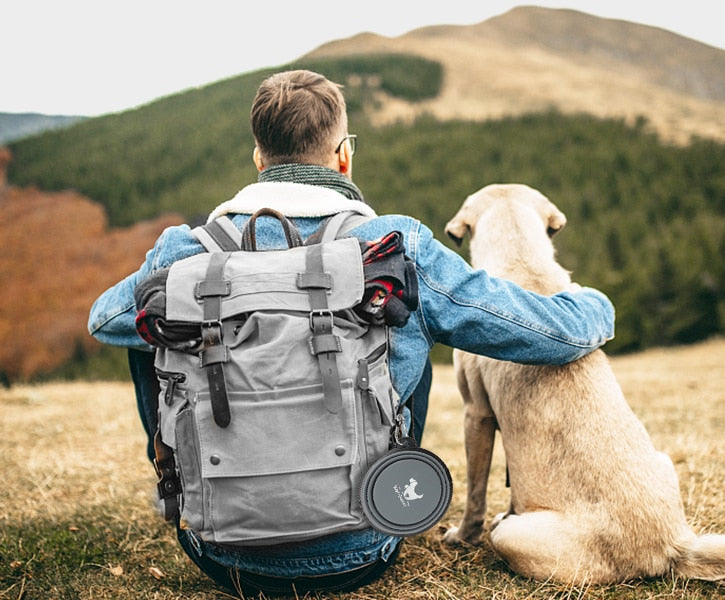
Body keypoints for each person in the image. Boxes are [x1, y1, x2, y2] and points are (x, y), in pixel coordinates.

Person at [88, 69, 615, 596]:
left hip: (221, 554)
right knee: (404, 317)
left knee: (155, 322)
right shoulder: (392, 248)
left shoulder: (185, 250)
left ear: (258, 158)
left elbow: (105, 320)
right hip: (363, 550)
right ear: (344, 154)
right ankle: (390, 488)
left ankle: (181, 485)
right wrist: (594, 302)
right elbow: (552, 334)